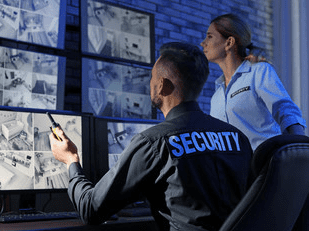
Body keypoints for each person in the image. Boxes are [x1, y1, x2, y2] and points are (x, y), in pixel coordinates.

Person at [49, 42, 253, 231]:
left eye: (152, 78)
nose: (150, 84)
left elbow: (90, 210)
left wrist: (70, 160)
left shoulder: (154, 143)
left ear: (162, 85)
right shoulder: (238, 138)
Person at [200, 13, 306, 151]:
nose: (203, 43)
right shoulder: (216, 96)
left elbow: (285, 110)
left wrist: (302, 151)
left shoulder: (259, 72)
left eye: (209, 36)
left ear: (229, 42)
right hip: (232, 170)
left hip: (265, 166)